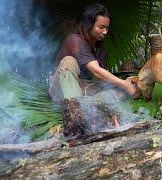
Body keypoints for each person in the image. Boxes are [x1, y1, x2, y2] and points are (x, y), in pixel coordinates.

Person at [49, 3, 138, 137]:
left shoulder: (99, 47)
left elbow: (102, 78)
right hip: (60, 89)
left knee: (122, 88)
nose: (105, 32)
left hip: (84, 90)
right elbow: (96, 71)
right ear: (88, 25)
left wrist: (126, 84)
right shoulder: (75, 40)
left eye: (107, 28)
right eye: (101, 27)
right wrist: (123, 83)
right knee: (69, 61)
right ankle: (75, 113)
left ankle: (88, 105)